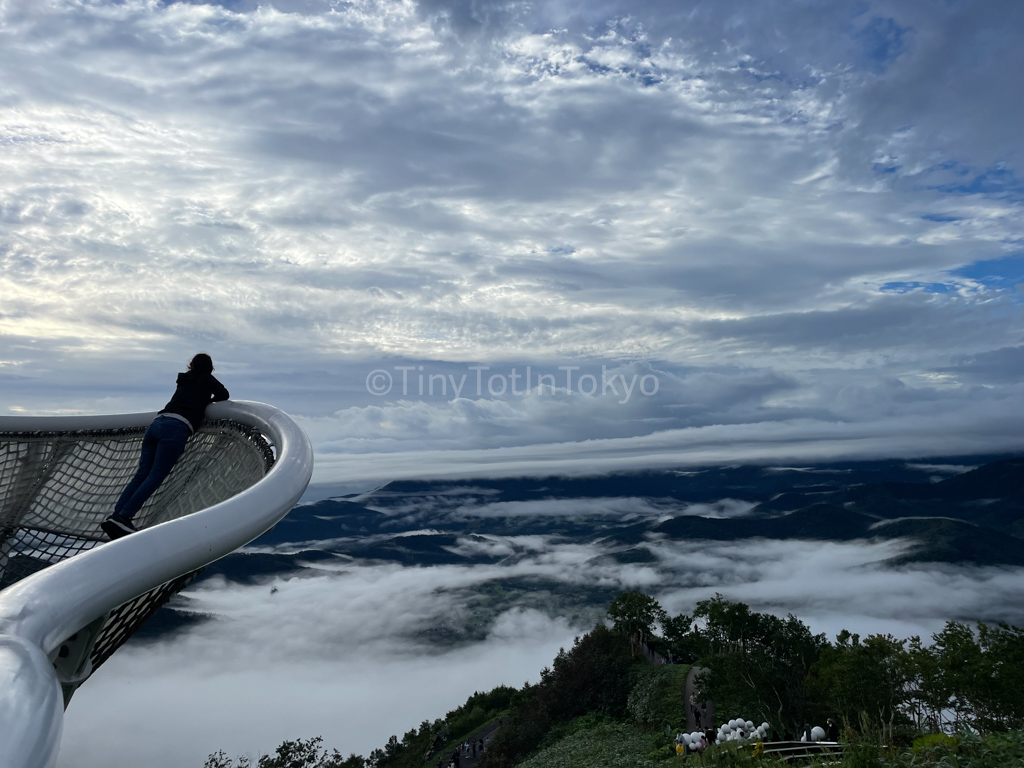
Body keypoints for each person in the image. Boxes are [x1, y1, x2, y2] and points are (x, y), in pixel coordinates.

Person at [101, 353, 229, 539]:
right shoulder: (206, 379)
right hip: (176, 428)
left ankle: (116, 515)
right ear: (210, 368)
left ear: (191, 365)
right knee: (156, 476)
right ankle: (124, 517)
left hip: (156, 424)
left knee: (141, 475)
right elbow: (224, 395)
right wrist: (206, 402)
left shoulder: (184, 380)